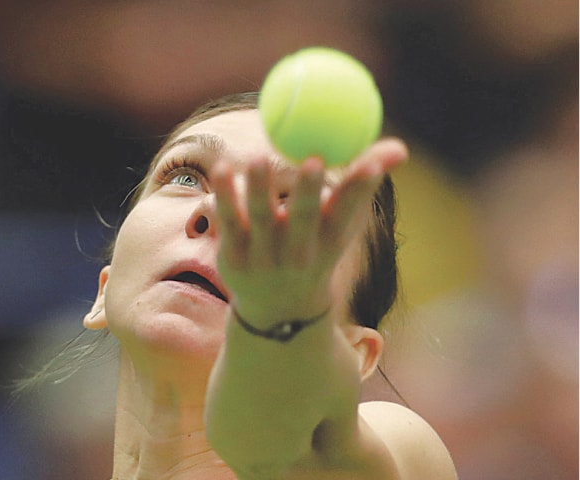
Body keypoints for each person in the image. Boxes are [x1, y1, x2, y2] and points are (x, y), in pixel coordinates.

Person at [81, 92, 457, 480]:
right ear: (103, 292)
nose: (218, 210)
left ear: (352, 351)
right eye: (186, 177)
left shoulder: (403, 448)